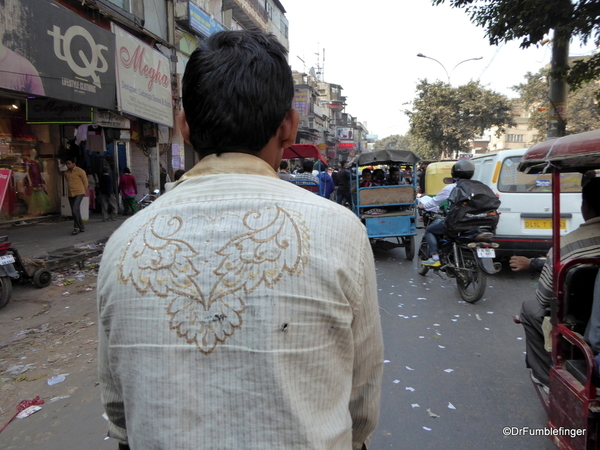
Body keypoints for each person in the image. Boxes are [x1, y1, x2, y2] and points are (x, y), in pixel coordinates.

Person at [97, 30, 383, 450]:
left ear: (184, 128)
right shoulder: (340, 231)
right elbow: (361, 399)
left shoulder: (125, 242)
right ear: (289, 127)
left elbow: (118, 408)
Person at [518, 178, 600, 389]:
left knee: (530, 307)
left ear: (585, 206)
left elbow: (545, 298)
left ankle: (545, 376)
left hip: (578, 325)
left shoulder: (565, 246)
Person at [418, 159, 474, 267]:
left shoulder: (451, 187)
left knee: (430, 230)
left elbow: (434, 202)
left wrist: (423, 206)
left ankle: (435, 258)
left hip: (457, 222)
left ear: (454, 174)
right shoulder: (478, 186)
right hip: (475, 222)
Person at [60, 158, 88, 235]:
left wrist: (83, 190)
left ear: (73, 163)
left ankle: (76, 227)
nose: (68, 165)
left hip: (79, 192)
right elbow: (60, 173)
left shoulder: (80, 171)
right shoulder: (66, 172)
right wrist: (62, 167)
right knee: (75, 211)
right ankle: (81, 226)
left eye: (69, 164)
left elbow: (85, 182)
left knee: (75, 209)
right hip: (70, 193)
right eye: (67, 164)